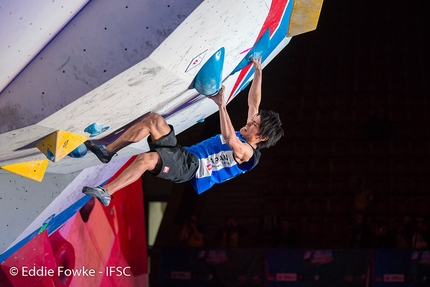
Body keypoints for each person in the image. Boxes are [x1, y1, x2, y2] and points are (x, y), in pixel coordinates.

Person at [82, 57, 284, 206]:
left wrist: (221, 106)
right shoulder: (249, 130)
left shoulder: (248, 154)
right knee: (154, 121)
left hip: (190, 168)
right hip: (184, 154)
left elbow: (231, 138)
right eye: (252, 120)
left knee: (145, 159)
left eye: (254, 125)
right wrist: (259, 71)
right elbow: (253, 102)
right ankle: (107, 151)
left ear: (262, 137)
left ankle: (107, 192)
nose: (249, 123)